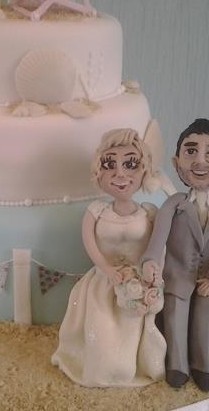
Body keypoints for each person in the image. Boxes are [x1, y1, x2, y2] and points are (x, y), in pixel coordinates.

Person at [51, 129, 167, 387]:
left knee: (132, 332)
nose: (120, 173)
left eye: (131, 164)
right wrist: (107, 270)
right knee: (101, 330)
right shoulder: (96, 212)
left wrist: (155, 274)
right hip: (104, 284)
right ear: (99, 171)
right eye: (110, 164)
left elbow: (158, 248)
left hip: (138, 285)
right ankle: (103, 370)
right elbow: (91, 246)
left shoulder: (149, 212)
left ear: (144, 170)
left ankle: (131, 367)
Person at [141, 118, 209, 392]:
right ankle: (178, 365)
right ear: (176, 163)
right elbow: (158, 238)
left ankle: (203, 365)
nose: (200, 161)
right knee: (175, 314)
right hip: (177, 276)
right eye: (190, 151)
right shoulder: (173, 205)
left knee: (206, 314)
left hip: (208, 279)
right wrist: (150, 260)